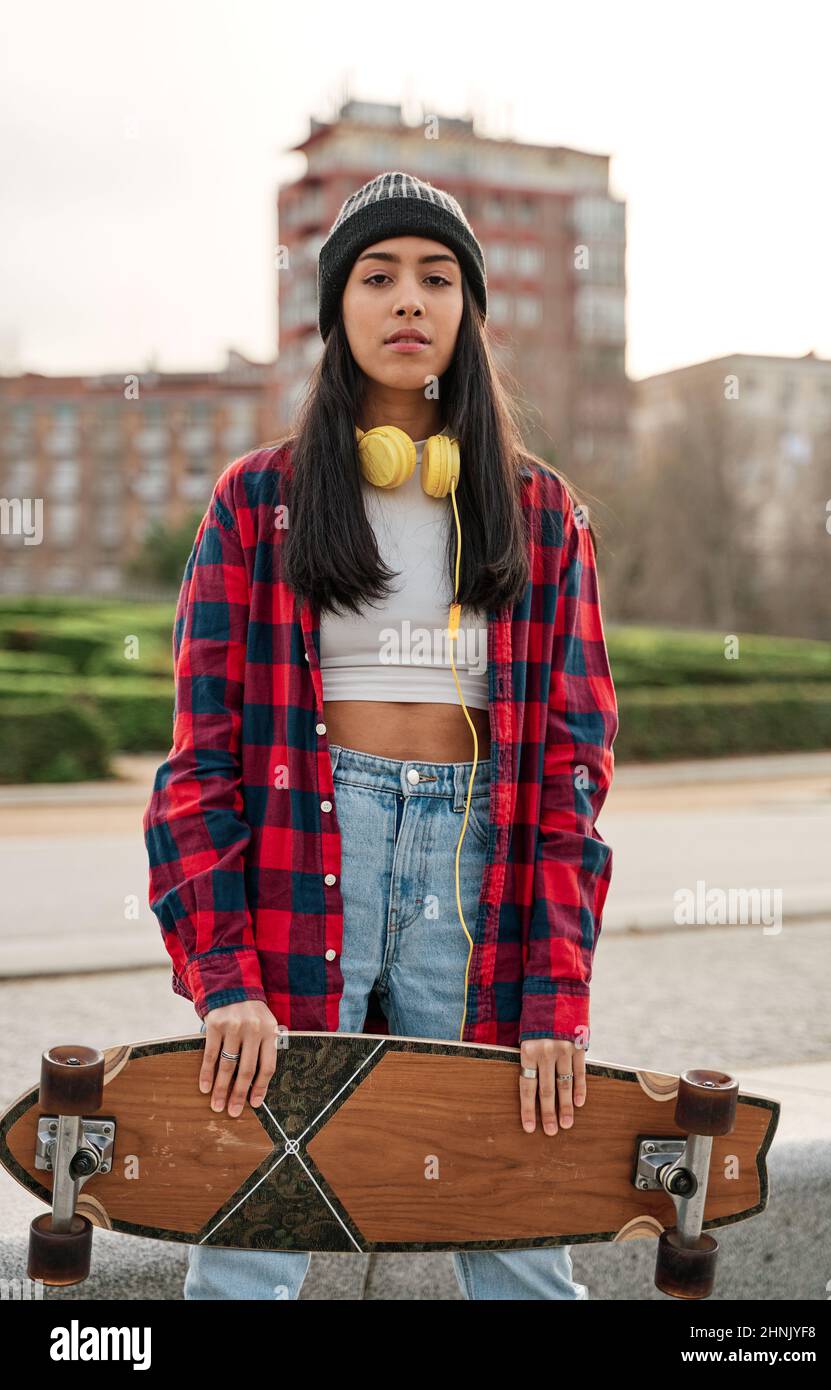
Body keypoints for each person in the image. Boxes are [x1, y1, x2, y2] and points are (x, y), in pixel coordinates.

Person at [143, 170, 619, 1300]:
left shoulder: (540, 513)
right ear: (335, 309)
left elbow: (570, 771)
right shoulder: (256, 502)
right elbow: (199, 763)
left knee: (513, 1221)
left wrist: (553, 996)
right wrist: (225, 980)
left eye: (436, 277)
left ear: (468, 311)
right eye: (378, 275)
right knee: (255, 1223)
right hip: (308, 856)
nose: (408, 299)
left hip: (476, 867)